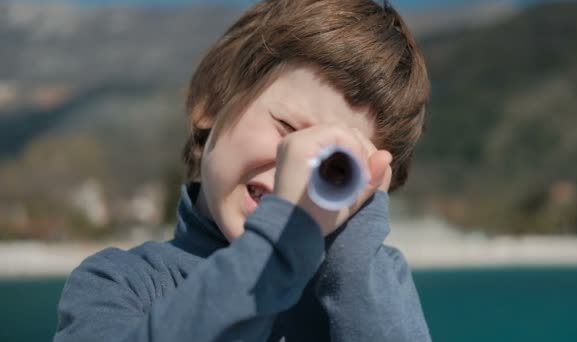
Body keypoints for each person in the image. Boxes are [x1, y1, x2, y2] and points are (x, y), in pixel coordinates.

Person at [53, 0, 432, 341]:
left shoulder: (371, 283)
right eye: (287, 128)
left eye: (336, 165)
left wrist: (356, 250)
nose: (297, 162)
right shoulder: (119, 283)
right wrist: (282, 240)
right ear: (211, 104)